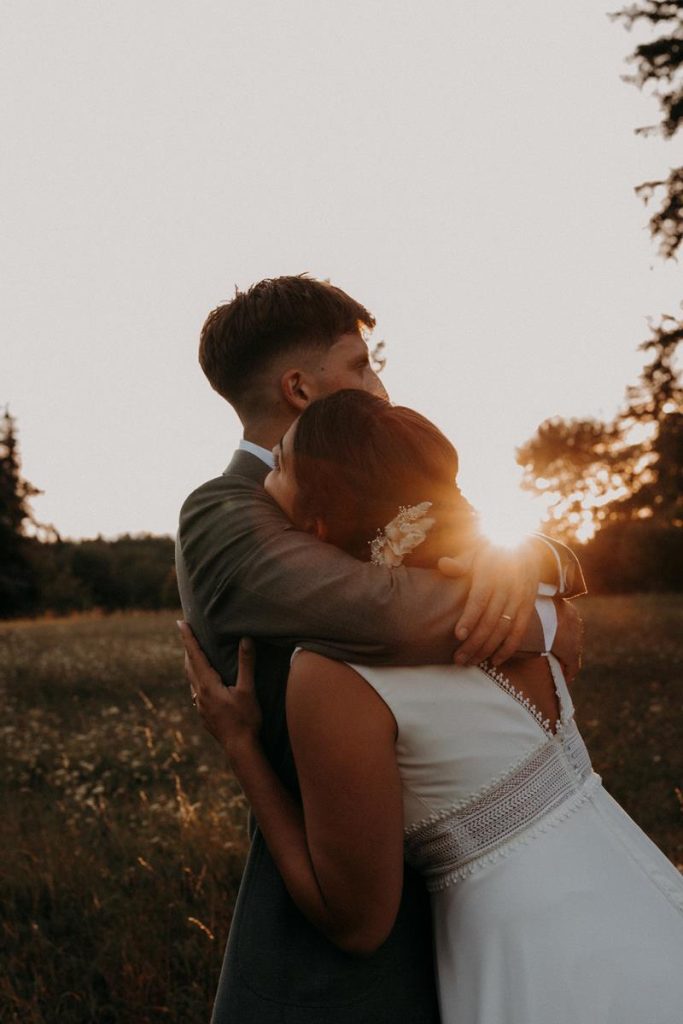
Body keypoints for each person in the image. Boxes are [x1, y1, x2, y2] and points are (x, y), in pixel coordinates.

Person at [180, 388, 683, 1024]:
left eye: (278, 468)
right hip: (636, 901)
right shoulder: (518, 607)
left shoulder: (331, 674)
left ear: (314, 526)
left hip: (522, 960)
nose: (264, 481)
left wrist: (241, 743)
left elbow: (356, 923)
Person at [175, 275, 585, 1023]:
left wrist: (537, 561)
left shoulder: (376, 479)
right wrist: (542, 614)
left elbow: (478, 539)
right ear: (300, 388)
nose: (381, 385)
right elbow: (387, 613)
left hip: (468, 907)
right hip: (327, 965)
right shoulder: (221, 513)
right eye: (361, 365)